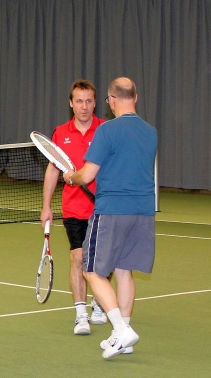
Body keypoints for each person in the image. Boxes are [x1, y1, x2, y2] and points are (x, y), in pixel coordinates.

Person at [63, 77, 158, 359]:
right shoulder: (151, 132)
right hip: (143, 212)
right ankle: (122, 337)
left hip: (112, 210)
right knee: (124, 270)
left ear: (112, 100)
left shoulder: (106, 131)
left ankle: (120, 328)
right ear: (135, 98)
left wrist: (71, 177)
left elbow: (87, 175)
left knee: (91, 270)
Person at [40, 79, 107, 335]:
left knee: (103, 260)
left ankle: (99, 301)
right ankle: (81, 314)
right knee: (78, 257)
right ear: (71, 104)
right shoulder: (61, 133)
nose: (84, 106)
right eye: (79, 101)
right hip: (74, 208)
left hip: (103, 207)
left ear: (95, 103)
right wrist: (46, 206)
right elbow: (53, 169)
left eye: (89, 101)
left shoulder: (105, 130)